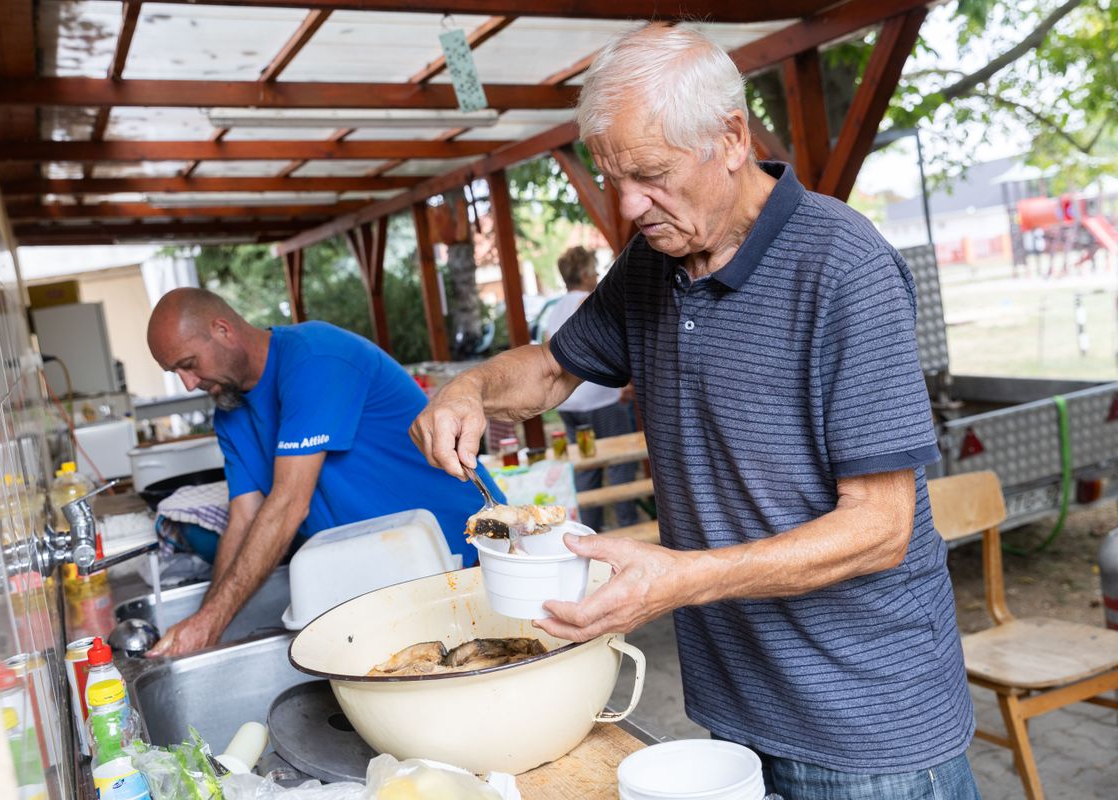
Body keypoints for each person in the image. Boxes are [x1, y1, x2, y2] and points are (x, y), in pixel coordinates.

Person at [409, 23, 979, 800]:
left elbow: (880, 529)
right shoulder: (655, 261)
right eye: (613, 178)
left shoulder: (844, 269)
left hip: (867, 727)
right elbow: (547, 371)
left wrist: (677, 581)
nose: (628, 206)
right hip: (737, 704)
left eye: (649, 174)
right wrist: (466, 389)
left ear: (732, 137)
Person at [145, 288, 501, 657]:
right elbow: (242, 520)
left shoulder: (315, 359)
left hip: (466, 560)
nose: (188, 383)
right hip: (387, 581)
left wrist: (211, 622)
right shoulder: (230, 414)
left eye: (189, 363)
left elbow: (288, 504)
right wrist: (207, 618)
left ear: (222, 329)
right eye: (176, 372)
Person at [542, 246, 639, 531]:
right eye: (595, 270)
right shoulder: (588, 301)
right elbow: (609, 345)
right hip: (599, 399)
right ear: (584, 275)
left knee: (586, 468)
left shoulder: (555, 309)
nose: (597, 276)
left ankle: (587, 531)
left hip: (569, 404)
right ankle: (629, 528)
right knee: (621, 463)